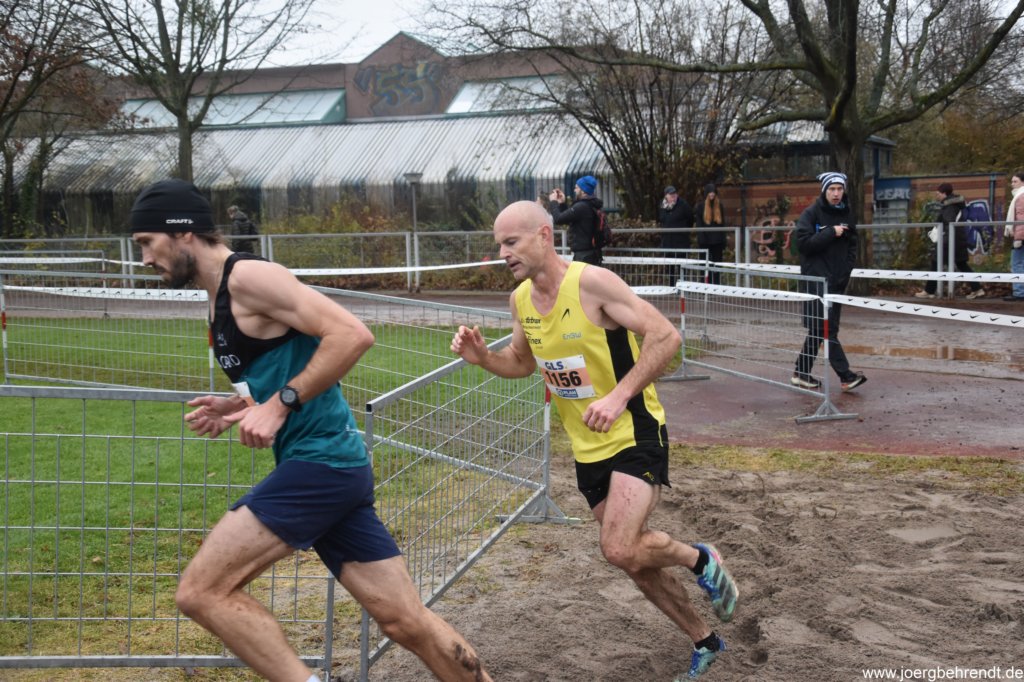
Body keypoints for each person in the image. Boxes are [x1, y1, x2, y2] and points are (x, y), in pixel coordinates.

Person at [130, 179, 491, 682]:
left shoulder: (248, 277)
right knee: (404, 621)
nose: (144, 258)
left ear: (183, 231)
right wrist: (241, 403)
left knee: (201, 591)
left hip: (320, 465)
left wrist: (279, 404)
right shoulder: (218, 297)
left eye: (147, 242)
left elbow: (352, 334)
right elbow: (287, 363)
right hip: (335, 468)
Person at [450, 200, 738, 680]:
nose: (503, 253)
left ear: (544, 236)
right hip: (587, 446)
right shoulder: (521, 300)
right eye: (499, 244)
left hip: (633, 431)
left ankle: (700, 558)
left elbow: (666, 336)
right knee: (634, 559)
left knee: (619, 548)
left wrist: (619, 397)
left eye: (511, 242)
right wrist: (484, 358)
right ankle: (705, 639)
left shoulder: (592, 283)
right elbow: (521, 362)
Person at [791, 171, 867, 392]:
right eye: (832, 189)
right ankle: (846, 376)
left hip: (837, 281)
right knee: (827, 329)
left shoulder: (847, 213)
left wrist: (846, 270)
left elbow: (853, 245)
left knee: (819, 329)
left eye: (839, 189)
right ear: (824, 191)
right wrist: (830, 232)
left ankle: (801, 373)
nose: (836, 193)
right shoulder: (811, 214)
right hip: (816, 280)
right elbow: (803, 245)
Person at [914, 183, 985, 300]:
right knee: (961, 264)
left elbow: (948, 223)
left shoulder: (949, 207)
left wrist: (941, 236)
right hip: (957, 239)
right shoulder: (955, 205)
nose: (936, 196)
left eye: (938, 193)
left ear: (944, 193)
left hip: (949, 240)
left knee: (936, 262)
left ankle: (929, 291)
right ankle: (977, 289)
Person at [549, 175, 604, 265]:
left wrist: (553, 202)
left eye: (576, 188)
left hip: (584, 256)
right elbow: (568, 219)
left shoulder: (582, 206)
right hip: (592, 253)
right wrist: (562, 203)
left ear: (583, 190)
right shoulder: (591, 204)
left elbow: (558, 219)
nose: (574, 190)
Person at [695, 183, 728, 285]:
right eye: (710, 193)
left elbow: (722, 224)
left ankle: (716, 285)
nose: (712, 195)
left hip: (717, 242)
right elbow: (699, 224)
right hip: (705, 242)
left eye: (713, 192)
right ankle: (705, 285)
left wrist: (723, 240)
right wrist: (701, 240)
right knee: (704, 265)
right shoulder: (700, 207)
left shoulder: (719, 206)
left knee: (717, 265)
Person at [1003, 171, 1024, 301]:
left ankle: (1019, 293)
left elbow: (1021, 219)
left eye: (1015, 181)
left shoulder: (1021, 196)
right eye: (1012, 181)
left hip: (1021, 236)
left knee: (1017, 264)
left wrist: (1018, 238)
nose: (1012, 184)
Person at [659, 185, 694, 251]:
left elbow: (690, 219)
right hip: (666, 242)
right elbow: (661, 219)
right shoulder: (662, 206)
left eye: (674, 194)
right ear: (666, 196)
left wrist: (685, 231)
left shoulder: (683, 205)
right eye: (671, 195)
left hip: (681, 242)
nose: (673, 197)